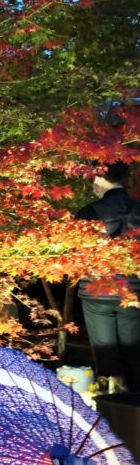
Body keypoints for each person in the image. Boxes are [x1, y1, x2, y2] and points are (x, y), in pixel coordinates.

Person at [75, 161, 140, 391]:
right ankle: (134, 406)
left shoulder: (89, 211)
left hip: (96, 292)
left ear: (100, 178)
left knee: (105, 355)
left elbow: (75, 252)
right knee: (135, 354)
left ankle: (112, 406)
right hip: (133, 291)